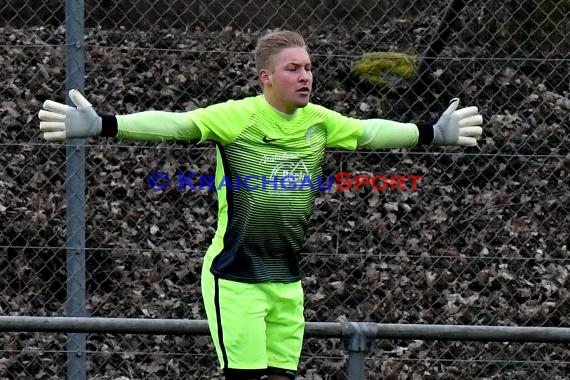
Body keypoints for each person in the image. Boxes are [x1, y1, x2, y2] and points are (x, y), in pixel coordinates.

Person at [38, 30, 482, 380]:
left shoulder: (319, 122)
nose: (305, 76)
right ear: (266, 77)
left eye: (308, 68)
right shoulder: (238, 117)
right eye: (293, 69)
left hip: (287, 282)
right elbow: (177, 124)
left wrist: (431, 132)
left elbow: (368, 132)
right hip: (235, 278)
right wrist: (105, 125)